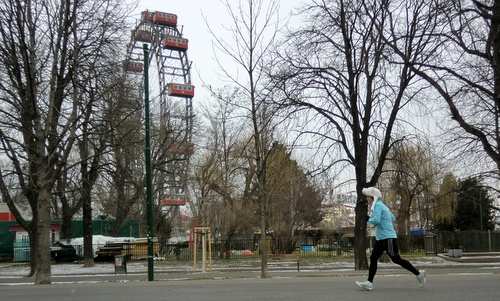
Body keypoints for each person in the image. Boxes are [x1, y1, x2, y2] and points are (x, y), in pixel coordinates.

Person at [355, 187, 426, 291]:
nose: (367, 200)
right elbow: (392, 218)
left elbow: (377, 220)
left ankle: (419, 274)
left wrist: (367, 218)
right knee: (373, 258)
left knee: (396, 259)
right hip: (382, 238)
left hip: (388, 238)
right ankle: (369, 283)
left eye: (368, 198)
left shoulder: (378, 206)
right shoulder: (383, 206)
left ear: (373, 197)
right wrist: (379, 220)